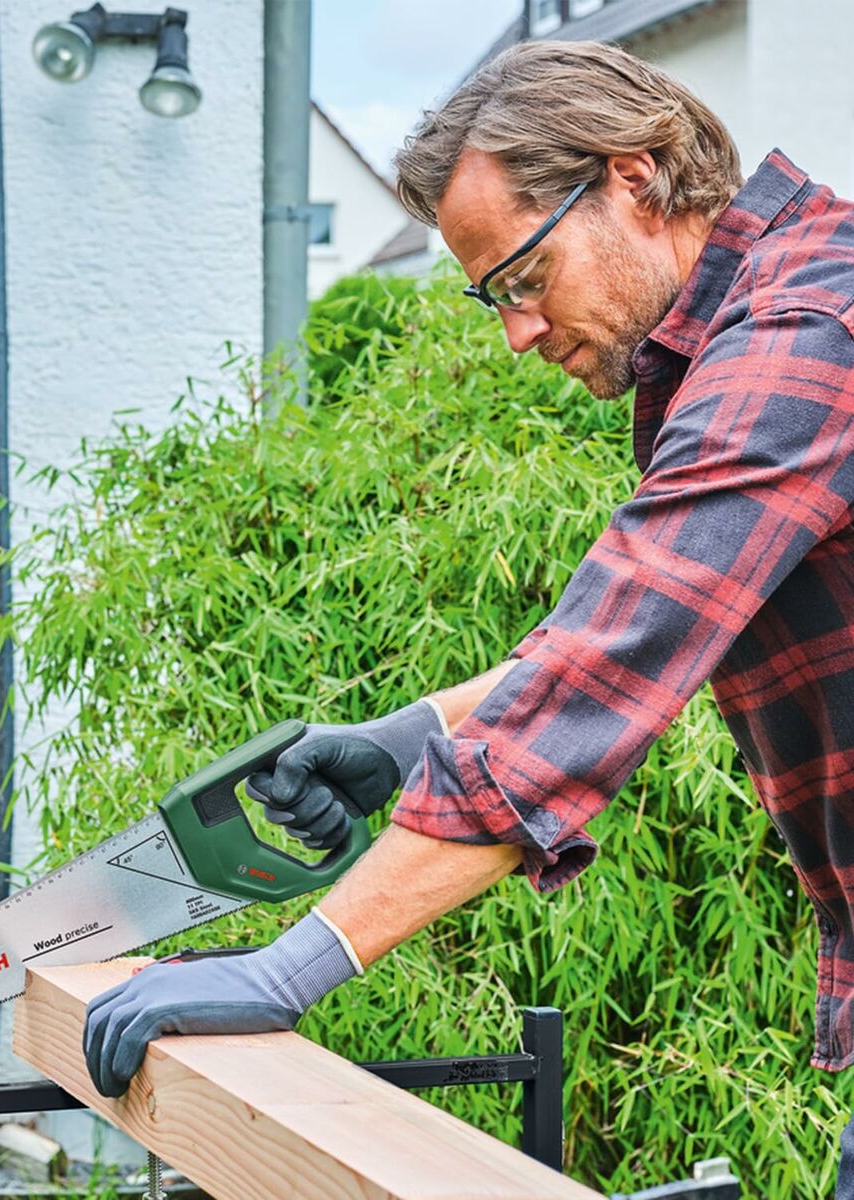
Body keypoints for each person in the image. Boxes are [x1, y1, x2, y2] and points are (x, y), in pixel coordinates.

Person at [82, 39, 854, 1193]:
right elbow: (642, 637)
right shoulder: (778, 314)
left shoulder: (808, 333)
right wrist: (402, 745)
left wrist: (289, 970)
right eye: (494, 296)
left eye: (525, 278)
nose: (518, 333)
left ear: (635, 179)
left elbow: (610, 662)